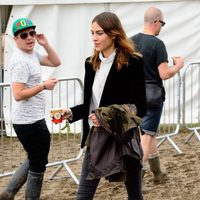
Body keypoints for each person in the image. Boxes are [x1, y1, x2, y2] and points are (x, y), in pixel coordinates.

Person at [62, 11, 146, 200]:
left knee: (134, 194)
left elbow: (140, 106)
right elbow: (91, 104)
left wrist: (106, 116)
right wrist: (70, 112)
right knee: (83, 195)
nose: (94, 38)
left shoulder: (133, 62)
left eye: (99, 33)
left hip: (123, 136)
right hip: (97, 137)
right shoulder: (90, 63)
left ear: (114, 33)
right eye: (92, 33)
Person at [0, 18, 61, 200]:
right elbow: (18, 94)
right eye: (24, 35)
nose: (29, 38)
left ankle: (8, 193)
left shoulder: (32, 54)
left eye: (32, 33)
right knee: (38, 161)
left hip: (33, 118)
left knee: (35, 158)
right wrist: (43, 85)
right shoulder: (20, 61)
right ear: (16, 39)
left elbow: (56, 62)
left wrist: (46, 44)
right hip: (28, 121)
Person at [130, 7, 184, 186]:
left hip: (133, 95)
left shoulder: (130, 42)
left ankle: (158, 173)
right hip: (152, 96)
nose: (162, 27)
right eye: (162, 23)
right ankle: (135, 172)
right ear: (156, 22)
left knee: (147, 133)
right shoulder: (157, 44)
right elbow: (164, 74)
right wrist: (178, 66)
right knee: (146, 137)